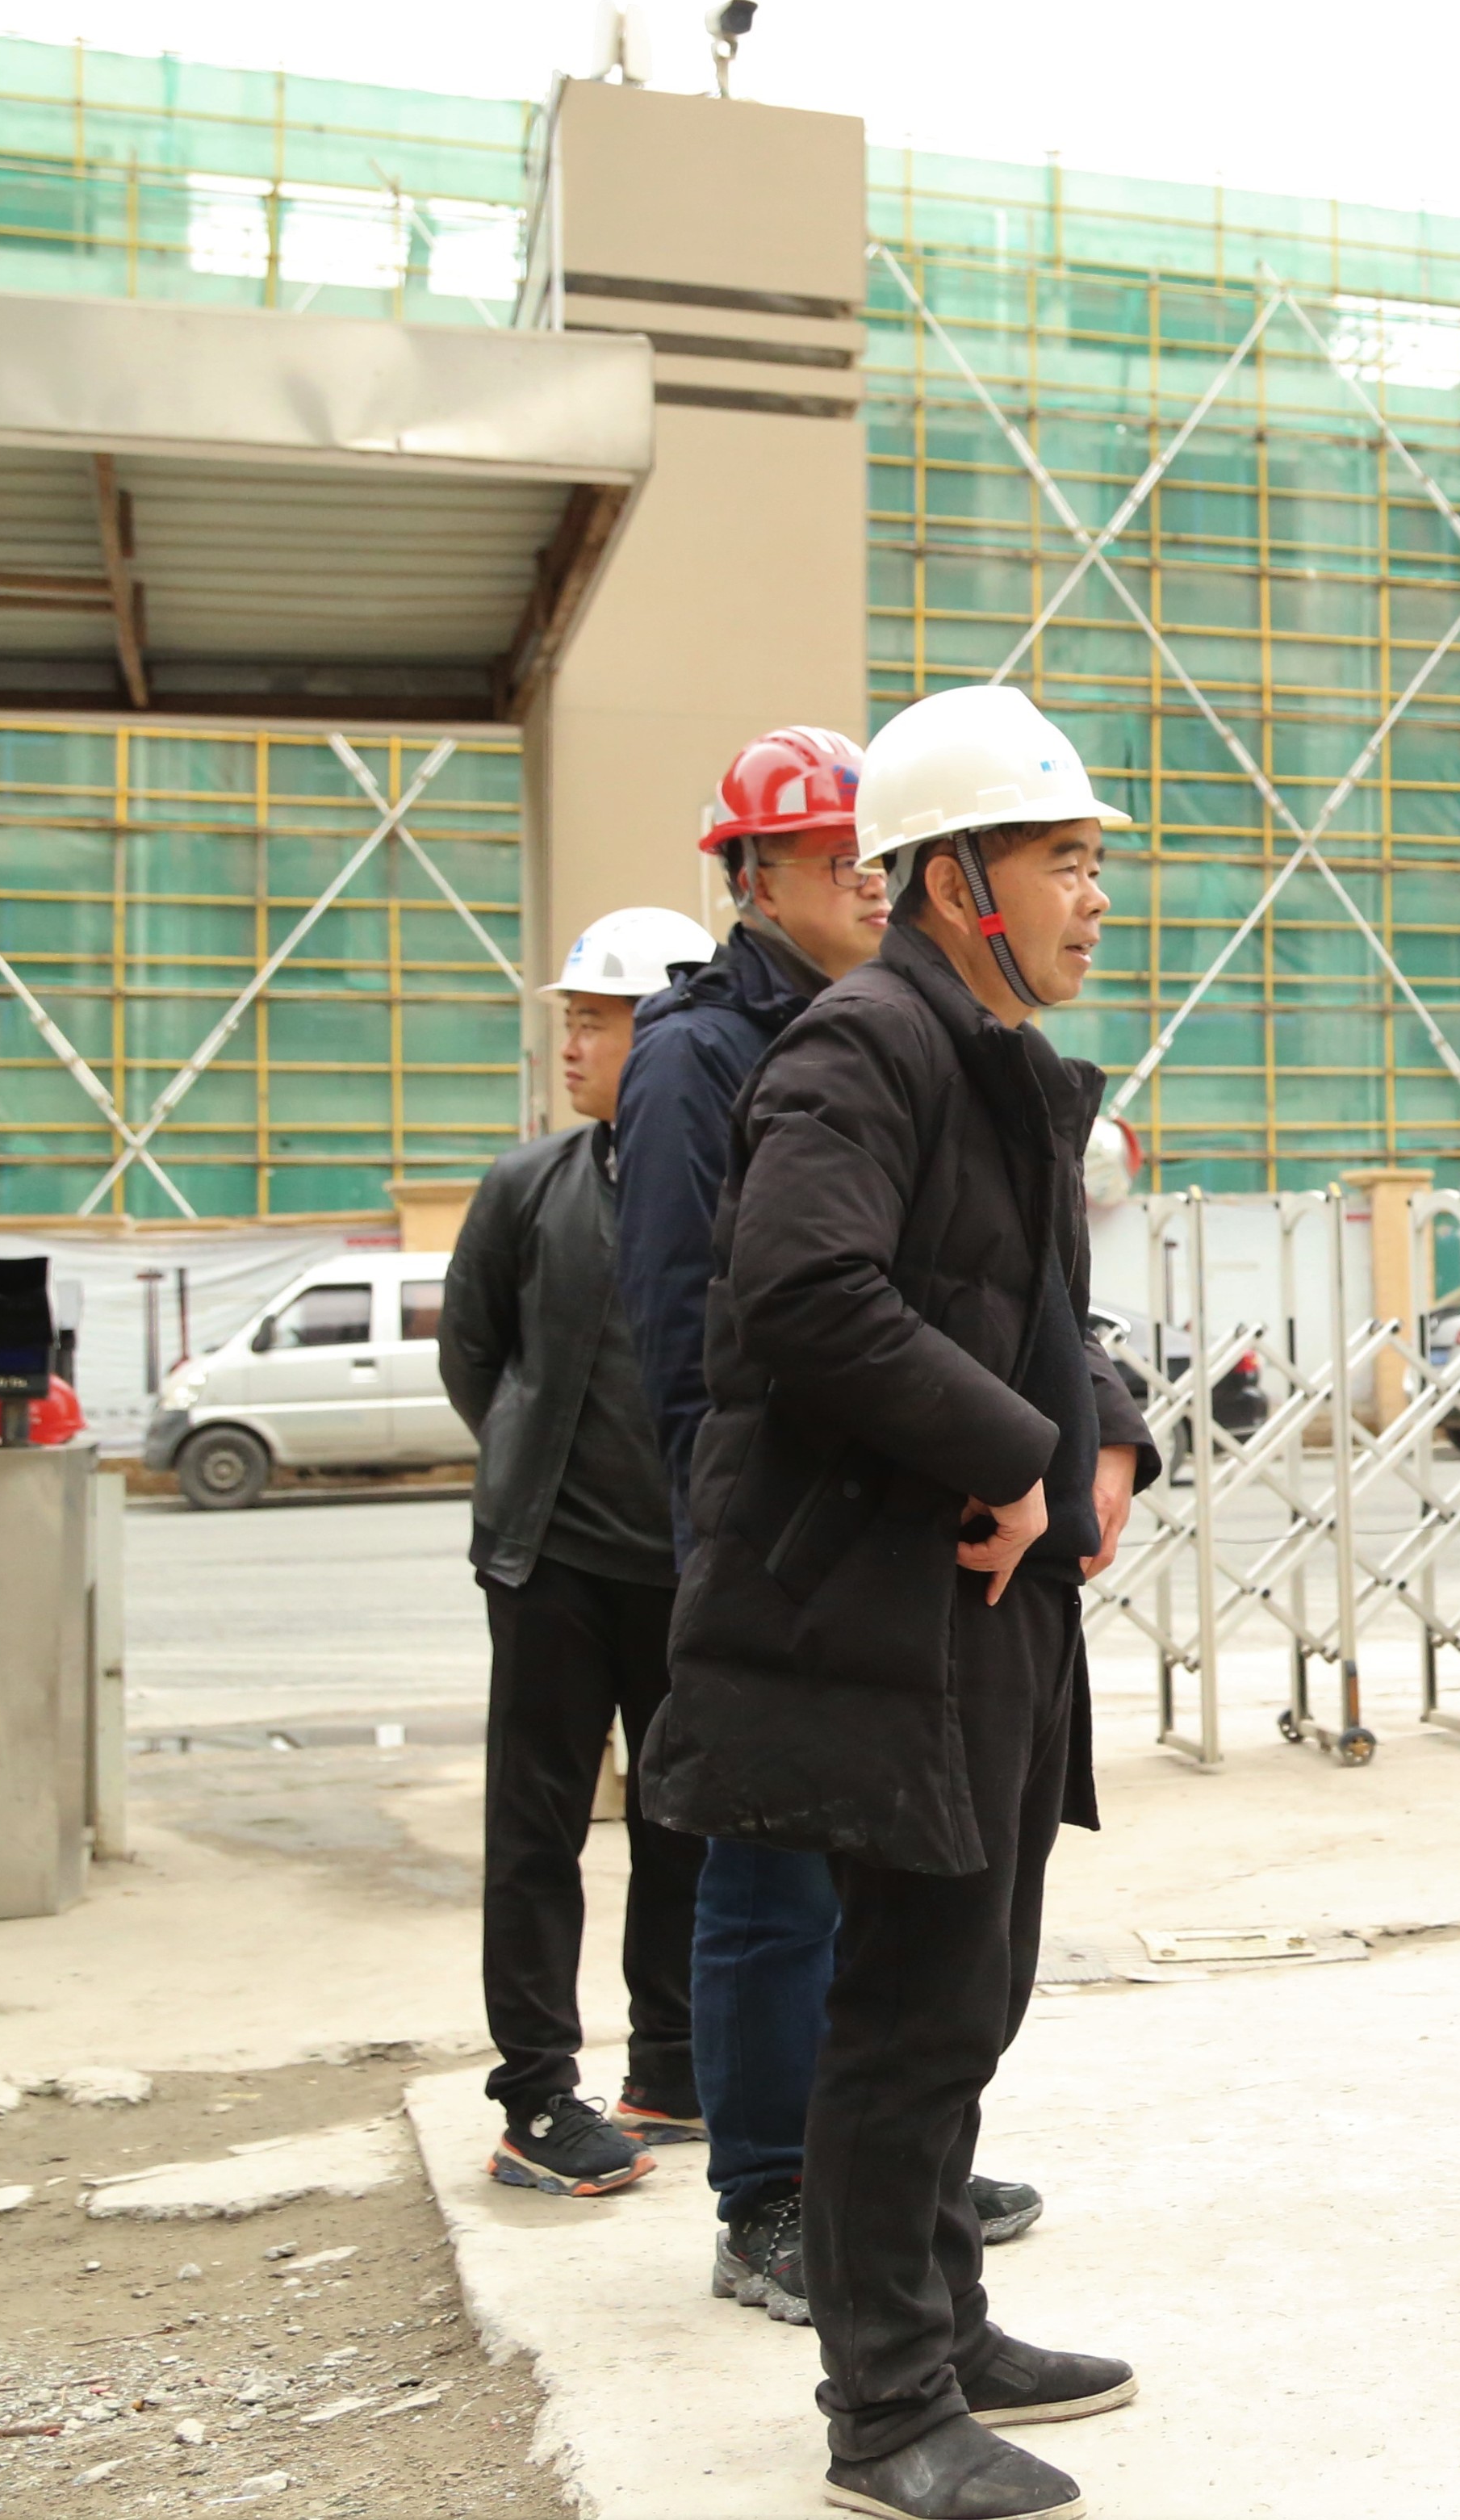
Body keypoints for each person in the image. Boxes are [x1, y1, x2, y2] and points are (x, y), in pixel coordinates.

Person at [637, 684, 1153, 2520]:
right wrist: (1011, 1456)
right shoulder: (862, 1047)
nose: (1095, 895)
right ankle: (885, 2409)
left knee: (972, 1990)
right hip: (880, 1608)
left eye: (1092, 859)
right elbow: (803, 1290)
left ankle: (944, 2323)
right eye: (1061, 859)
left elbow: (1025, 1310)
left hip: (979, 1612)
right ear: (955, 882)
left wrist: (1107, 1432)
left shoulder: (987, 1053)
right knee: (908, 2006)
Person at [611, 728, 1045, 2325]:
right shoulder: (702, 1052)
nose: (865, 877)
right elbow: (696, 1319)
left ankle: (884, 2176)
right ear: (752, 875)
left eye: (876, 851)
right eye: (829, 854)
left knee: (892, 1875)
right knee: (771, 1875)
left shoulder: (898, 1023)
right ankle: (769, 2191)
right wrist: (727, 1536)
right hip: (774, 1527)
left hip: (886, 1515)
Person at [441, 905, 719, 2194]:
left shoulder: (722, 1177)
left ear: (665, 1033)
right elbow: (477, 1359)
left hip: (688, 1570)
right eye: (571, 1020)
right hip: (550, 1568)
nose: (572, 1045)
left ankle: (669, 2068)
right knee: (537, 1832)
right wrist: (531, 1476)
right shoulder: (527, 1186)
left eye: (598, 1022)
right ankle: (538, 2096)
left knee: (686, 1833)